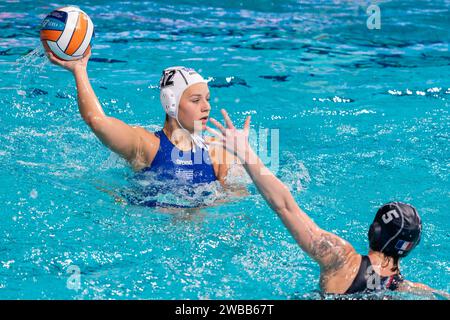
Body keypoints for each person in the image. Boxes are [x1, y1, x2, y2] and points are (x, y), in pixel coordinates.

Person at [207, 109, 450, 298]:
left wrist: (245, 151)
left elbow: (284, 205)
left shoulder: (342, 258)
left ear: (373, 231)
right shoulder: (406, 289)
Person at [44, 46, 235, 206]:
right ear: (171, 104)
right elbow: (97, 121)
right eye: (195, 100)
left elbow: (236, 196)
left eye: (207, 99)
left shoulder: (216, 151)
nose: (206, 107)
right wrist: (79, 70)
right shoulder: (147, 146)